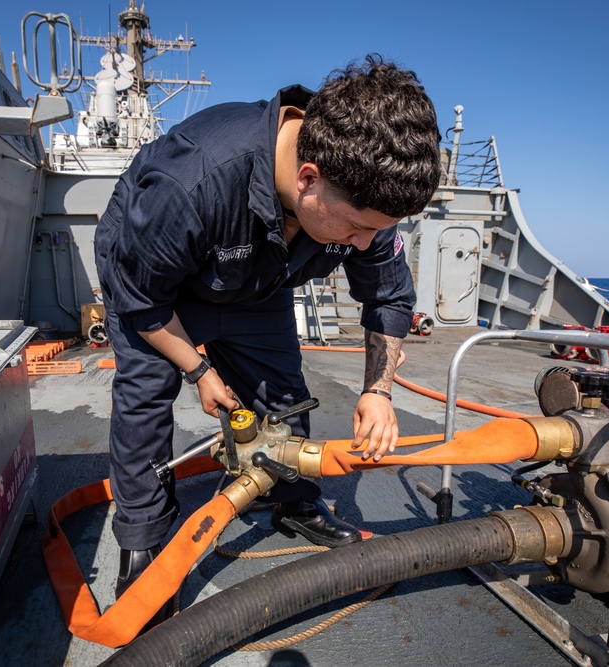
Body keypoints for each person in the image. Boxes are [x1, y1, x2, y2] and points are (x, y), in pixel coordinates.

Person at [94, 54, 441, 616]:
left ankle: (293, 498)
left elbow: (388, 296)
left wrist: (378, 391)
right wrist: (200, 371)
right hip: (160, 288)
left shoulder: (360, 191)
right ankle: (141, 541)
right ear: (309, 179)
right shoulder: (194, 180)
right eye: (355, 229)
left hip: (258, 282)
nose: (361, 245)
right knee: (144, 399)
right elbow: (140, 298)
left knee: (282, 390)